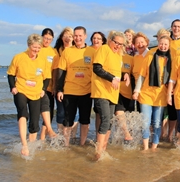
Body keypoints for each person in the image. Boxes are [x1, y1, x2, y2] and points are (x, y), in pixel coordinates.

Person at [7, 33, 54, 156]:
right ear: (29, 45)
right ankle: (24, 145)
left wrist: (43, 89)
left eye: (38, 48)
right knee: (23, 112)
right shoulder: (19, 57)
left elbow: (47, 77)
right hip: (21, 90)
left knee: (34, 121)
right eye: (34, 47)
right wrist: (12, 87)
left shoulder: (42, 60)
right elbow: (11, 74)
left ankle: (31, 147)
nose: (36, 50)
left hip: (36, 92)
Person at [91, 31, 128, 159]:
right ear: (110, 40)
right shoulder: (104, 49)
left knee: (110, 122)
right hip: (101, 91)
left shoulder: (118, 55)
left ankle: (104, 148)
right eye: (116, 43)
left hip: (113, 93)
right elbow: (97, 68)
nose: (118, 46)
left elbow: (116, 73)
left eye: (121, 44)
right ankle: (98, 151)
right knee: (106, 119)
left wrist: (125, 76)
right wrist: (112, 78)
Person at [56, 26, 95, 146]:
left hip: (86, 91)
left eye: (80, 36)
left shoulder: (92, 51)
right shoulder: (67, 51)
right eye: (75, 36)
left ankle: (82, 144)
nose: (77, 38)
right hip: (70, 91)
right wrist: (59, 89)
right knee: (68, 120)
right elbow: (61, 72)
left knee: (85, 120)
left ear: (85, 36)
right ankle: (66, 144)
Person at [132, 35, 171, 150]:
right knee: (145, 122)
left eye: (166, 44)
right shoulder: (150, 57)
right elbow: (142, 76)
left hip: (161, 95)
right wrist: (136, 91)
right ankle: (145, 147)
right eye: (161, 43)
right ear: (158, 43)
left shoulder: (171, 60)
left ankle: (154, 146)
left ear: (169, 46)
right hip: (146, 94)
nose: (163, 46)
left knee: (157, 123)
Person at [51, 27, 78, 135]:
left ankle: (73, 136)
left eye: (70, 36)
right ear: (61, 37)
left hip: (74, 86)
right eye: (65, 35)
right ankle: (61, 137)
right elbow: (54, 71)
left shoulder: (77, 50)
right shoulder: (56, 51)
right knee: (61, 112)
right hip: (59, 86)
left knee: (75, 113)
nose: (68, 38)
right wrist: (54, 86)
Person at [166, 19, 180, 142]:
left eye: (179, 27)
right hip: (169, 77)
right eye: (174, 26)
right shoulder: (167, 41)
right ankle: (169, 134)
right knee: (171, 107)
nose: (176, 28)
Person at [39, 28, 57, 140]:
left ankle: (42, 139)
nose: (47, 41)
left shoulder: (53, 52)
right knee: (42, 110)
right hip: (37, 86)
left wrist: (55, 85)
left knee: (49, 112)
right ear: (41, 37)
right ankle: (42, 137)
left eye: (49, 39)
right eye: (45, 38)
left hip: (49, 86)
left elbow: (55, 70)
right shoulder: (37, 49)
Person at [132, 32, 150, 113]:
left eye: (142, 42)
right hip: (138, 91)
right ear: (134, 45)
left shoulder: (150, 55)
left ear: (146, 43)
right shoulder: (135, 57)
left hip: (148, 91)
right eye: (137, 43)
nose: (140, 44)